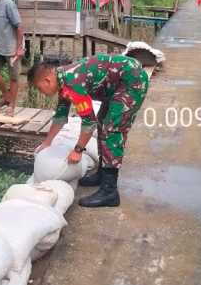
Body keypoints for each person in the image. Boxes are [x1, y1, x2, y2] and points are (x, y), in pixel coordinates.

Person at [28, 54, 150, 207]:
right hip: (118, 84)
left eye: (39, 88)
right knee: (103, 123)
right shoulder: (63, 82)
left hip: (132, 81)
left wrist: (78, 150)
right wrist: (47, 143)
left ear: (47, 80)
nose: (42, 92)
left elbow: (88, 122)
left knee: (111, 130)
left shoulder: (72, 83)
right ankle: (102, 175)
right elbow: (60, 116)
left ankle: (109, 191)